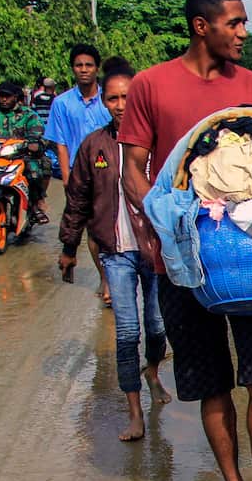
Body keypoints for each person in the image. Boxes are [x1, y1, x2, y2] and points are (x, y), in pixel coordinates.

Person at [119, 0, 252, 481]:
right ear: (202, 26)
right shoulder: (151, 86)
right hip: (182, 262)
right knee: (210, 381)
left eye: (244, 22)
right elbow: (133, 169)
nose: (243, 33)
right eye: (234, 23)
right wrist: (157, 229)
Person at [58, 58, 172, 442]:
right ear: (104, 103)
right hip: (116, 252)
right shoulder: (94, 147)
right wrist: (69, 246)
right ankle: (135, 413)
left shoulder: (159, 143)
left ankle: (152, 370)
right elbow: (77, 198)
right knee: (127, 332)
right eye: (112, 98)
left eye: (127, 96)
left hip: (155, 250)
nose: (121, 105)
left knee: (157, 327)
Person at [46, 44, 112, 304]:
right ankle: (105, 277)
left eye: (88, 65)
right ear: (73, 68)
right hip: (79, 175)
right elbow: (61, 141)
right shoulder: (62, 103)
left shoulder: (109, 100)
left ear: (97, 68)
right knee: (92, 230)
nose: (84, 70)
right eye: (79, 65)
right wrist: (66, 176)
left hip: (108, 173)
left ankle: (117, 277)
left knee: (111, 225)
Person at [0, 80, 49, 224]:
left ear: (16, 97)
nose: (4, 99)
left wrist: (35, 143)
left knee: (35, 173)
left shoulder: (28, 115)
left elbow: (40, 134)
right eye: (1, 96)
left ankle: (35, 204)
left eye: (8, 96)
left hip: (21, 157)